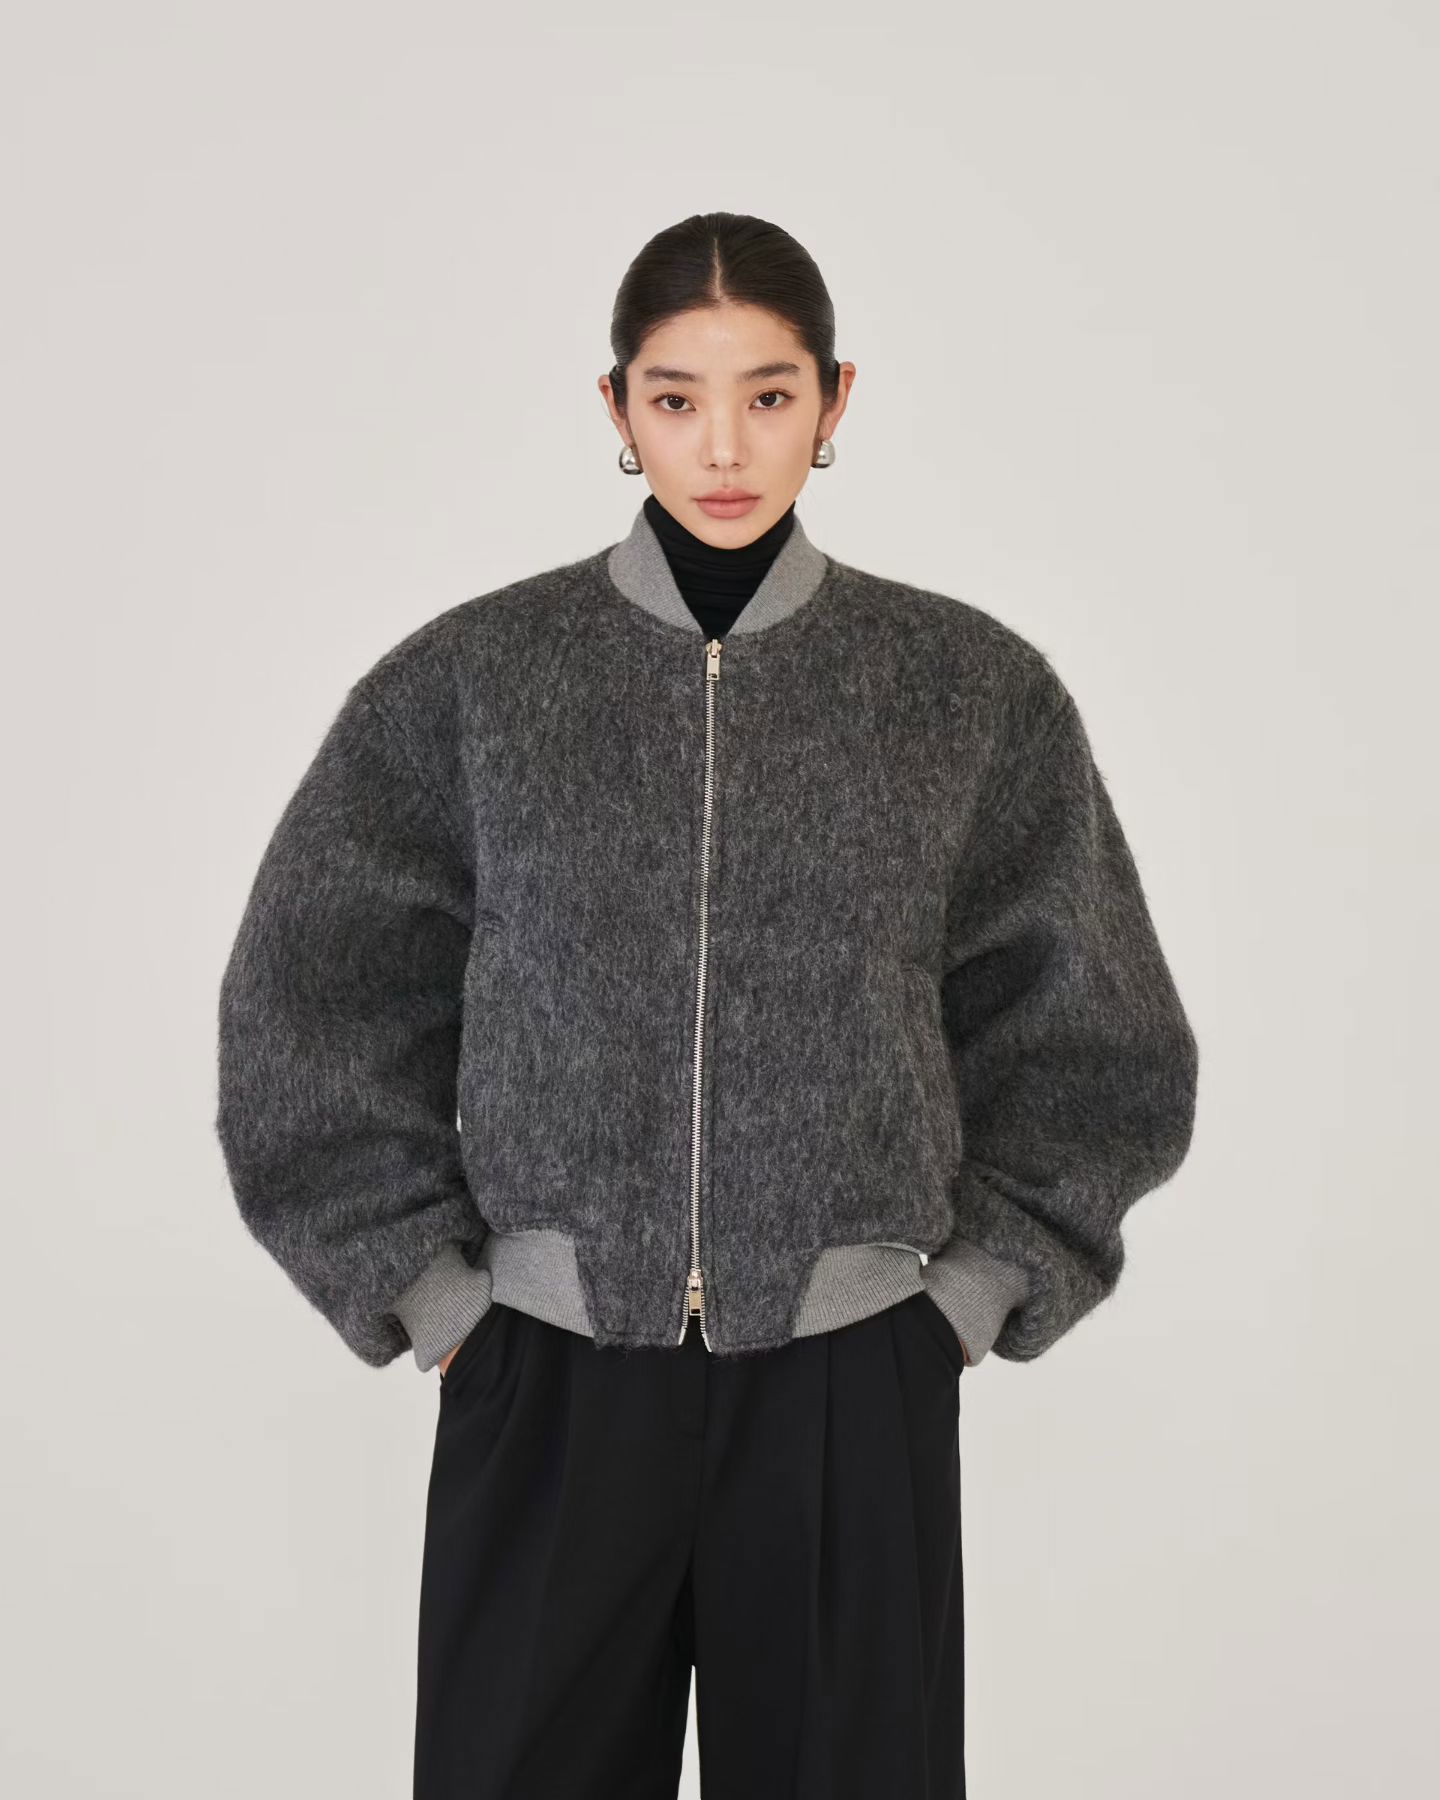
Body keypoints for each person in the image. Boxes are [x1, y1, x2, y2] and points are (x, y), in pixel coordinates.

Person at [214, 210, 1199, 1800]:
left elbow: (1094, 1037)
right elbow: (313, 1004)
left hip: (850, 1383)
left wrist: (967, 1299)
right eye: (676, 398)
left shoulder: (966, 691)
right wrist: (430, 1296)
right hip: (546, 1379)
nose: (724, 447)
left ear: (836, 400)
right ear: (617, 409)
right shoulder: (472, 681)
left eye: (769, 394)